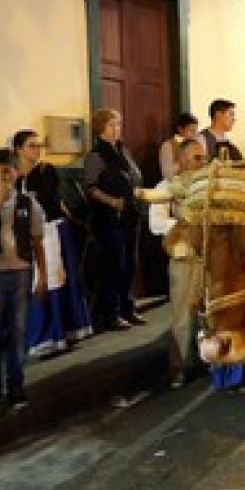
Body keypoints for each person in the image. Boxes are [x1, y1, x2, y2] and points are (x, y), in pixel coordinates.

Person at [13, 128, 92, 357]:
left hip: (50, 230)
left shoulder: (46, 170)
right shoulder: (14, 174)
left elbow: (47, 200)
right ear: (19, 149)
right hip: (24, 236)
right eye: (32, 145)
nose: (37, 150)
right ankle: (39, 334)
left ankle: (58, 332)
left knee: (54, 280)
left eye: (39, 145)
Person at [0, 148, 46, 412]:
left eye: (6, 172)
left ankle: (16, 388)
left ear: (16, 173)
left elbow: (37, 242)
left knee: (18, 333)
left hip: (20, 272)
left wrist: (42, 275)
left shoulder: (28, 203)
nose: (1, 177)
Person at [148, 137, 207, 388]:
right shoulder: (165, 186)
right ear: (181, 159)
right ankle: (180, 366)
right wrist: (185, 224)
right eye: (196, 157)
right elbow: (155, 224)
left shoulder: (208, 184)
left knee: (208, 312)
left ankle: (210, 362)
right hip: (183, 257)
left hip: (208, 257)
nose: (201, 162)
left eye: (203, 157)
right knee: (182, 315)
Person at [83, 109, 145, 332]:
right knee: (113, 266)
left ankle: (127, 308)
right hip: (109, 219)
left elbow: (134, 176)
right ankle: (110, 313)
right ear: (101, 128)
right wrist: (112, 201)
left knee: (130, 264)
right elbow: (90, 188)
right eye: (112, 125)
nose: (117, 129)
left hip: (130, 215)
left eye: (119, 124)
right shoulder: (96, 155)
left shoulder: (123, 151)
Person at [159, 112, 199, 180]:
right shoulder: (167, 146)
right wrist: (183, 162)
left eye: (195, 131)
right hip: (174, 184)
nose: (194, 134)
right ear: (180, 129)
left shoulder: (196, 144)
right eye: (191, 130)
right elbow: (166, 173)